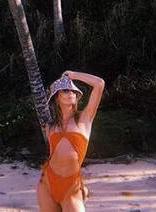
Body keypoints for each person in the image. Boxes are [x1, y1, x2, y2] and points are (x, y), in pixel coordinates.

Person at [37, 70, 105, 212]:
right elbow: (52, 155)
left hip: (71, 185)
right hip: (47, 183)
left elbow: (99, 84)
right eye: (66, 91)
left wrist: (73, 75)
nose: (71, 94)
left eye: (74, 91)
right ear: (57, 98)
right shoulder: (50, 127)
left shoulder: (84, 120)